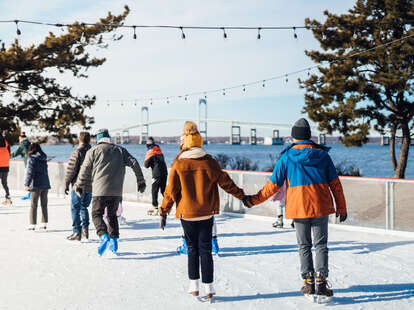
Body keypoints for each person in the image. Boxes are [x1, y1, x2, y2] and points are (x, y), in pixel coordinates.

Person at [243, 118, 347, 303]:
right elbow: (335, 184)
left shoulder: (287, 157)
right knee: (321, 245)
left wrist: (254, 200)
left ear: (294, 137)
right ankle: (321, 282)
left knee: (304, 245)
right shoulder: (322, 155)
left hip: (299, 207)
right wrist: (342, 207)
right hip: (321, 206)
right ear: (309, 136)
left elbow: (272, 186)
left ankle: (308, 281)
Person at [159, 121, 245, 300]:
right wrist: (242, 196)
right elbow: (226, 182)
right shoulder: (209, 161)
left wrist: (163, 211)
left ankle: (194, 286)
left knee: (192, 250)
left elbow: (171, 191)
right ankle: (210, 287)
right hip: (206, 213)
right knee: (205, 250)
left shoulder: (179, 163)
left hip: (187, 214)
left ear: (185, 143)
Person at [74, 129, 146, 256]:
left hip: (99, 190)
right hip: (116, 192)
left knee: (96, 214)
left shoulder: (93, 151)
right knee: (112, 216)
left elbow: (84, 169)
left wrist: (79, 185)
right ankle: (114, 242)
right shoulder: (120, 150)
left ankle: (103, 236)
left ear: (98, 139)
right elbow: (134, 163)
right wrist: (140, 181)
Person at [64, 132, 92, 241]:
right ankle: (85, 230)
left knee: (75, 208)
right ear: (89, 141)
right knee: (84, 207)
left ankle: (77, 232)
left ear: (79, 140)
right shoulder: (93, 152)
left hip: (78, 185)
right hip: (90, 186)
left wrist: (66, 183)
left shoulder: (78, 151)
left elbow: (71, 169)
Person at [25, 143, 51, 231]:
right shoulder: (44, 158)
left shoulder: (32, 159)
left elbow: (30, 173)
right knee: (44, 205)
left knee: (33, 205)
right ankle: (44, 224)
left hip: (36, 185)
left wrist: (27, 184)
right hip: (45, 184)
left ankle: (32, 224)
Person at [144, 137, 168, 216]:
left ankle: (155, 208)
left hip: (156, 174)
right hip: (164, 172)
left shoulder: (150, 151)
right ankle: (167, 206)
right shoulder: (158, 149)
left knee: (154, 191)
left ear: (147, 144)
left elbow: (146, 165)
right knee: (163, 190)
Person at [11, 131, 31, 200]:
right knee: (31, 179)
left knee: (27, 179)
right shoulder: (30, 143)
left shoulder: (22, 145)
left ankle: (31, 195)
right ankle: (31, 194)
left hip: (27, 164)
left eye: (19, 138)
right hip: (33, 163)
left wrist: (5, 156)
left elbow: (14, 154)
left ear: (20, 138)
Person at [0, 133, 11, 206]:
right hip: (6, 166)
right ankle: (8, 198)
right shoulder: (7, 144)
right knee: (4, 183)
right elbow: (9, 154)